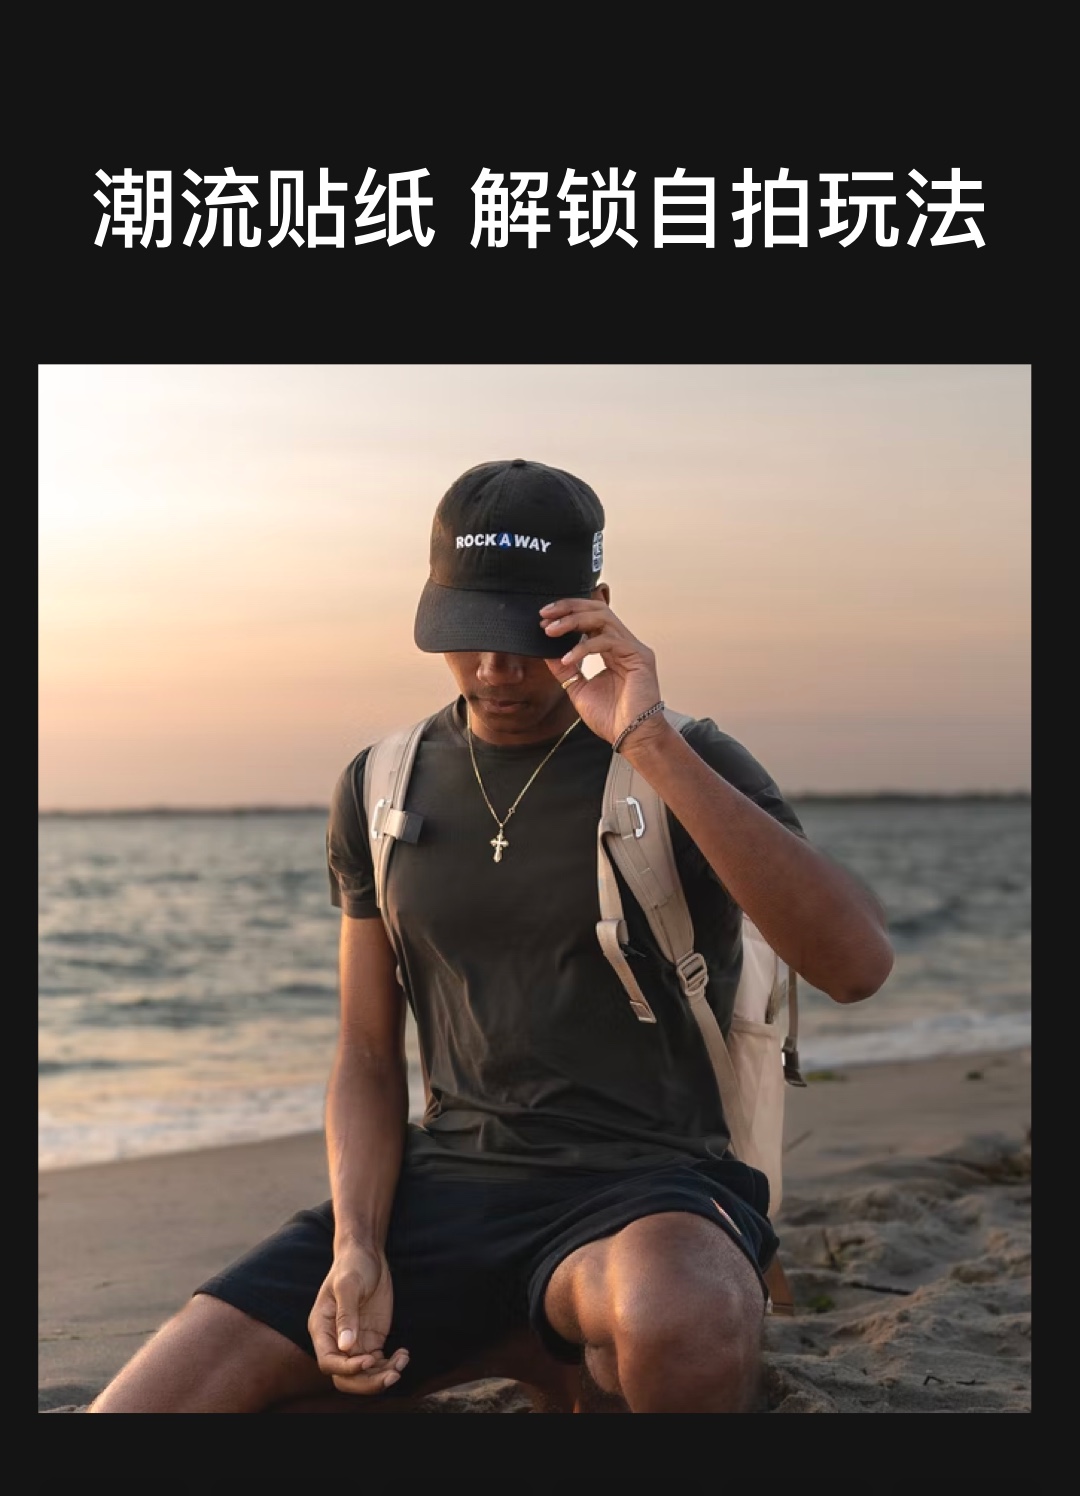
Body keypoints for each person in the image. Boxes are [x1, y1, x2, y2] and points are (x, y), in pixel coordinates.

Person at [90, 458, 893, 1416]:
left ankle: (589, 1370)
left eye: (524, 634)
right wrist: (358, 1245)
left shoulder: (681, 757)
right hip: (443, 1193)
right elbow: (366, 1051)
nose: (495, 670)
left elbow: (856, 966)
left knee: (682, 1315)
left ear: (594, 612)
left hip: (646, 1192)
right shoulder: (381, 783)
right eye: (469, 633)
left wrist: (647, 740)